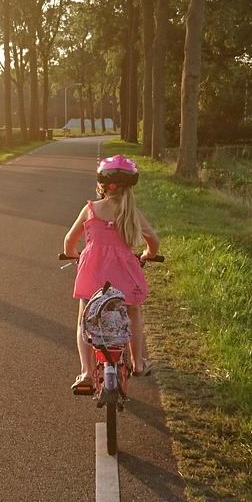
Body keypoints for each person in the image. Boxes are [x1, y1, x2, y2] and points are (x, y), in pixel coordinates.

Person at [63, 154, 160, 391]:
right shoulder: (131, 213)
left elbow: (68, 241)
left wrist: (74, 255)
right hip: (124, 275)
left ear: (101, 187)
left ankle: (86, 372)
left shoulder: (90, 210)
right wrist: (147, 254)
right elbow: (153, 242)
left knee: (84, 318)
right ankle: (137, 364)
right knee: (133, 311)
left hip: (92, 275)